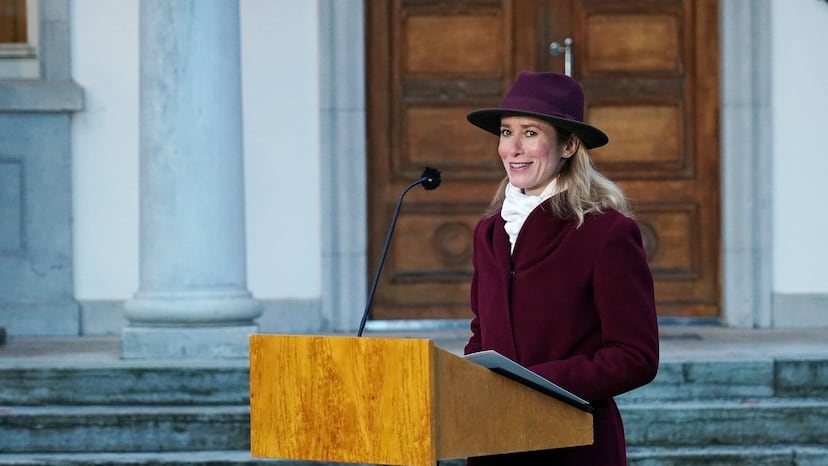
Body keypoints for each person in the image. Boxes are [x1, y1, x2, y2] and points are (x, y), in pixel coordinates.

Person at [463, 71, 660, 465]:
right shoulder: (489, 232)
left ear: (569, 145)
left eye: (530, 133)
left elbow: (635, 356)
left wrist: (535, 384)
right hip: (494, 442)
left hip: (573, 445)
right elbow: (482, 333)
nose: (513, 148)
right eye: (506, 132)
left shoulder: (606, 232)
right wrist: (465, 383)